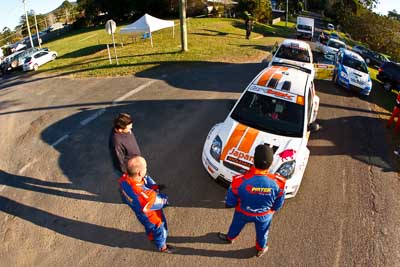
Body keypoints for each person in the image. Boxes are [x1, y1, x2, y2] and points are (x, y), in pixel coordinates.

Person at [218, 144, 286, 258]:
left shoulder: (239, 180)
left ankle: (230, 238)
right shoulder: (279, 182)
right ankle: (260, 249)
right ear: (270, 163)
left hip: (243, 212)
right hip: (265, 215)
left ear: (254, 161)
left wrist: (230, 204)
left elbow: (231, 201)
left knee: (235, 225)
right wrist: (273, 209)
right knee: (263, 233)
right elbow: (279, 203)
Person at [119, 156, 174, 253]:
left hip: (139, 212)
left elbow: (143, 182)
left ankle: (151, 237)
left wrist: (153, 187)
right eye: (145, 168)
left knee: (149, 227)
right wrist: (165, 199)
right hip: (151, 216)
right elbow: (162, 202)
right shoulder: (147, 196)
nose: (146, 170)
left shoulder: (123, 180)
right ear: (140, 173)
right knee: (160, 229)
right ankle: (162, 246)